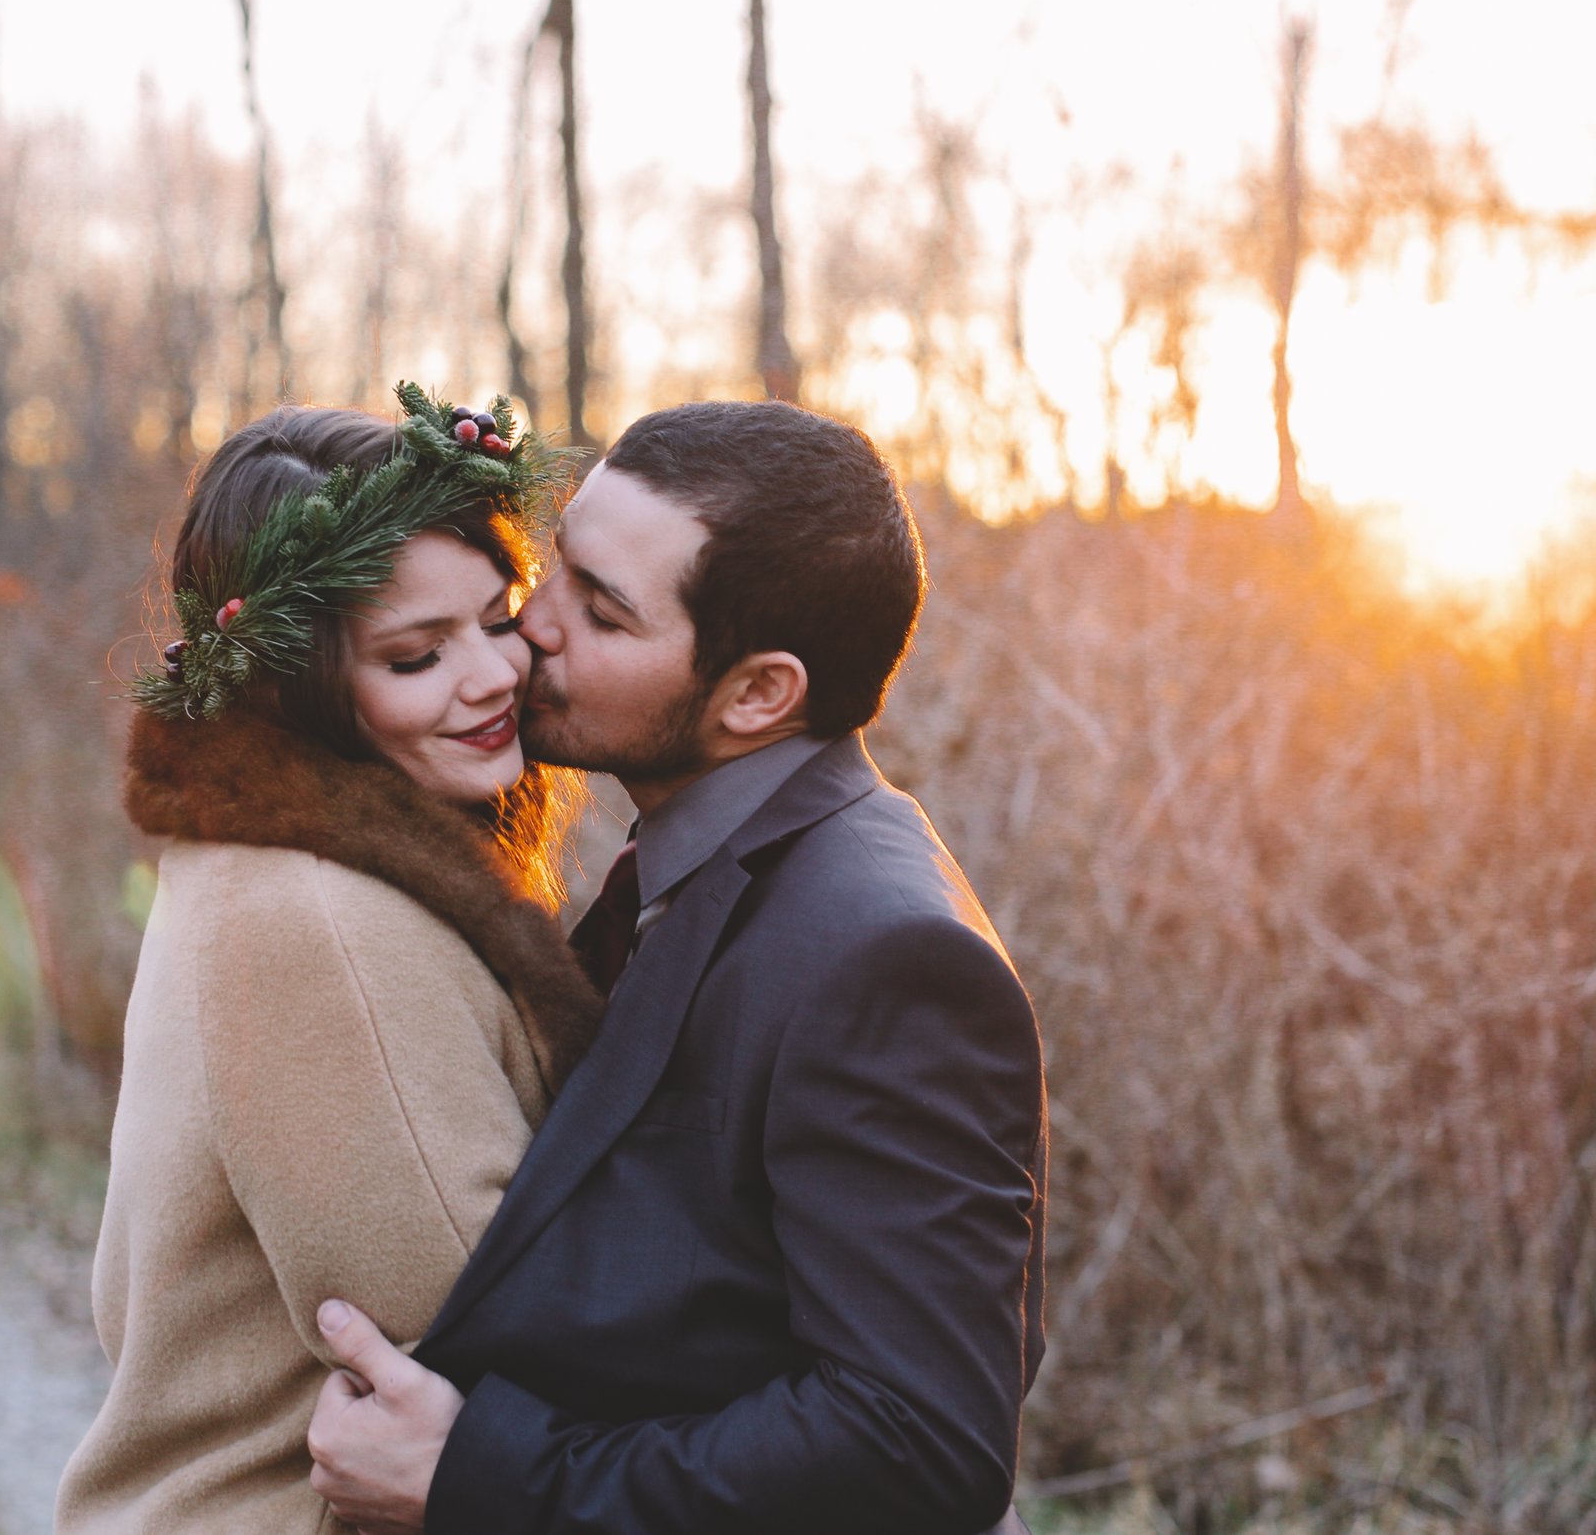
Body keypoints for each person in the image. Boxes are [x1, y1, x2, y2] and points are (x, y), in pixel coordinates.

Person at [307, 400, 1049, 1535]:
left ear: (759, 693)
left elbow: (920, 1441)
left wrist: (481, 1475)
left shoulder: (885, 958)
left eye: (599, 612)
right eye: (558, 571)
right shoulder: (693, 859)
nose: (527, 626)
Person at [55, 393, 604, 1535]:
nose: (491, 674)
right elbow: (485, 1315)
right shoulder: (316, 919)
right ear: (297, 684)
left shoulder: (293, 856)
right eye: (416, 654)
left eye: (495, 616)